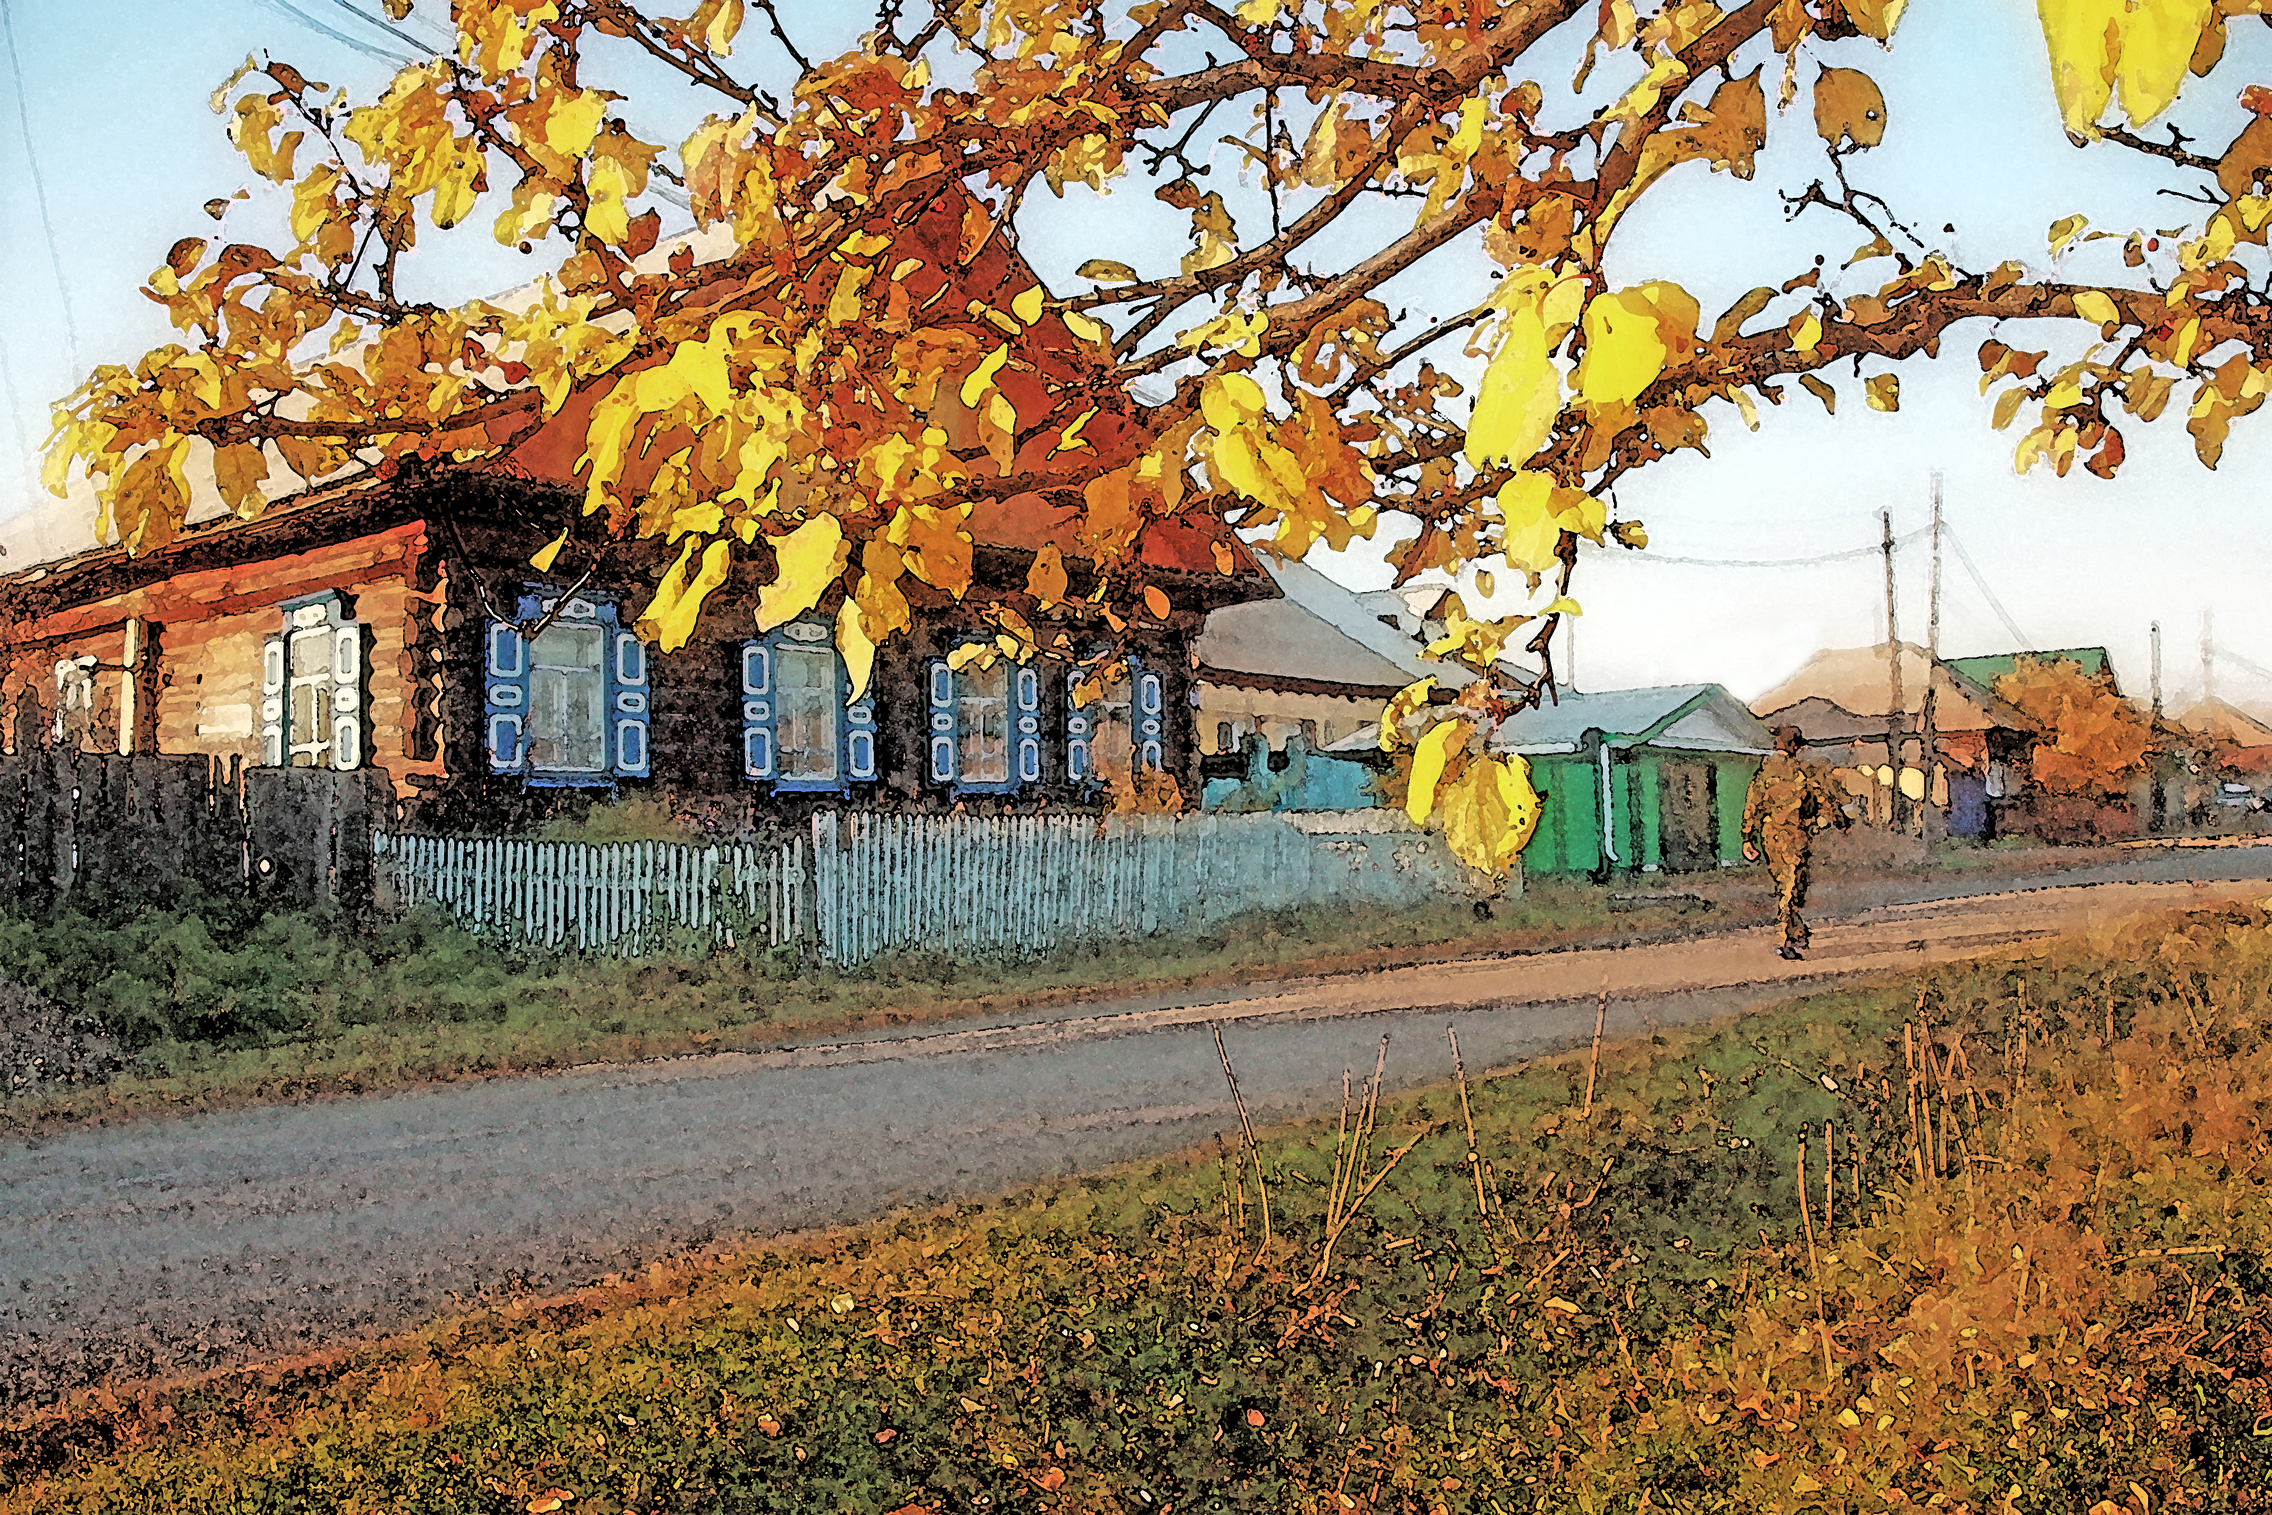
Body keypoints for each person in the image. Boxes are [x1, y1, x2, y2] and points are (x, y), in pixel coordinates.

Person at [1742, 726, 1851, 960]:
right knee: (1793, 888)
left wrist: (1747, 838)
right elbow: (1822, 799)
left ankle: (1796, 933)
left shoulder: (1763, 773)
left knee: (1786, 887)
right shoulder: (1801, 773)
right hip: (1795, 837)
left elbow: (1753, 806)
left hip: (1770, 838)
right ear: (1794, 747)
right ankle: (1786, 938)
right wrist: (1841, 822)